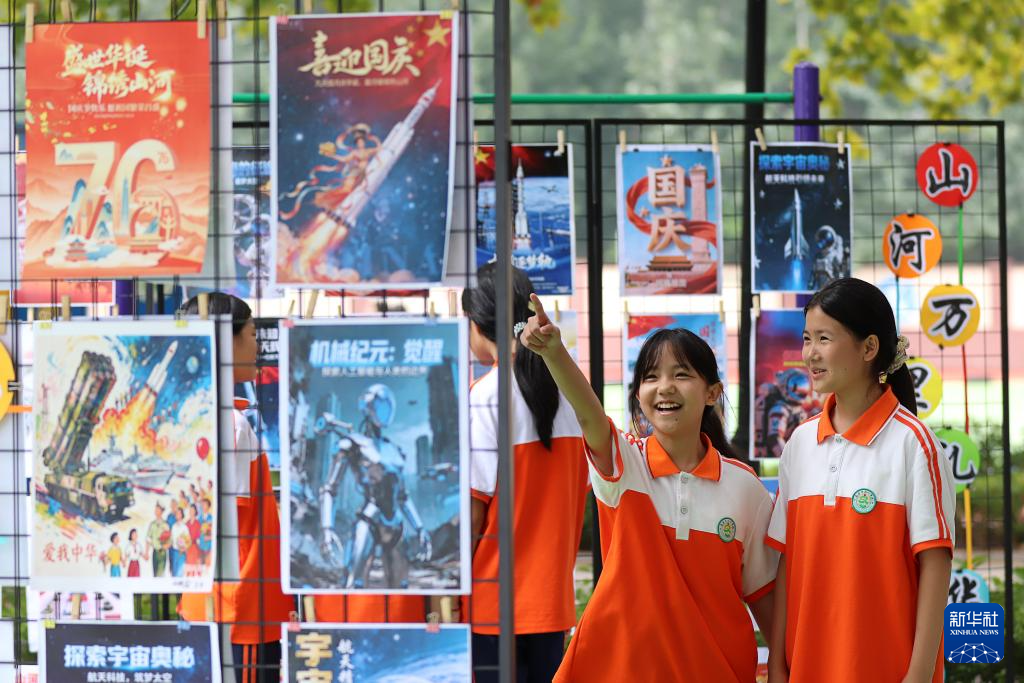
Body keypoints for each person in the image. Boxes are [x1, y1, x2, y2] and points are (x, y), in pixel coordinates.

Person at [519, 295, 777, 681]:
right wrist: (554, 353)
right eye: (651, 377)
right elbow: (589, 415)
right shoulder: (625, 465)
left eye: (681, 375)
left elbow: (765, 600)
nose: (665, 387)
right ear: (638, 396)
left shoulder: (745, 488)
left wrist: (784, 669)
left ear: (711, 393)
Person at [766, 278, 955, 683]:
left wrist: (919, 675)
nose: (810, 353)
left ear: (869, 348)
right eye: (806, 339)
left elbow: (936, 566)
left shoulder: (914, 443)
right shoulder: (799, 444)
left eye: (824, 338)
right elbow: (787, 564)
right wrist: (778, 665)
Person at [461, 264, 591, 683]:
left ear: (476, 323)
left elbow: (472, 516)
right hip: (552, 603)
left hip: (490, 604)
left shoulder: (485, 397)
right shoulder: (573, 394)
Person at [177, 293, 294, 683]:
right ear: (225, 341)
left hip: (218, 604)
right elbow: (229, 524)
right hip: (240, 608)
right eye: (252, 334)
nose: (257, 346)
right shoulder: (230, 424)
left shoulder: (196, 415)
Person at [145, 502, 171, 578]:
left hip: (162, 552)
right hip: (155, 552)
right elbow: (148, 539)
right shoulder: (152, 524)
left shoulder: (165, 525)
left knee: (160, 575)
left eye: (158, 509)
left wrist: (166, 546)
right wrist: (147, 552)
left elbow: (169, 540)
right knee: (155, 574)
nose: (156, 511)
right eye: (155, 509)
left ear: (161, 511)